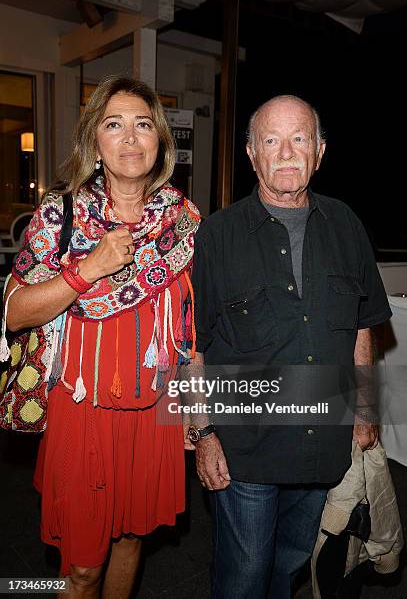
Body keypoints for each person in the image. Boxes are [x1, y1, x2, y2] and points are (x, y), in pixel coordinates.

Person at [4, 75, 200, 598]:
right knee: (83, 568)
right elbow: (16, 312)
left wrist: (192, 414)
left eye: (142, 125)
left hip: (154, 416)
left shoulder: (181, 220)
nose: (130, 138)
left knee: (132, 540)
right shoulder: (60, 214)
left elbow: (187, 327)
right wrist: (86, 268)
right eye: (114, 125)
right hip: (83, 413)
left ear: (160, 141)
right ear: (95, 141)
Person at [189, 95, 391, 598]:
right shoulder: (215, 236)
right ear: (251, 153)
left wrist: (363, 411)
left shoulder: (347, 225)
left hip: (324, 441)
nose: (286, 152)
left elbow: (363, 326)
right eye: (271, 140)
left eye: (299, 138)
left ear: (319, 152)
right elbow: (190, 346)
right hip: (246, 448)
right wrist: (202, 432)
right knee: (244, 578)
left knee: (291, 566)